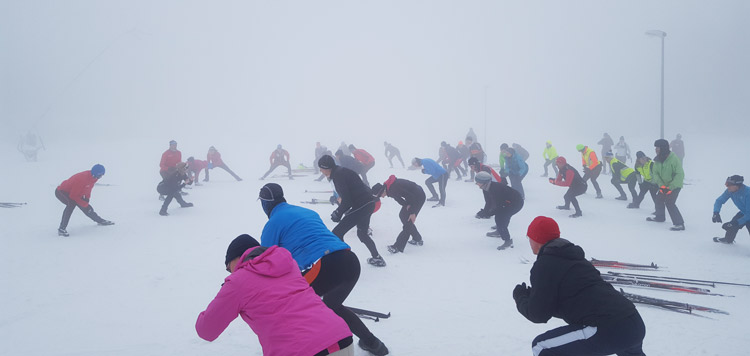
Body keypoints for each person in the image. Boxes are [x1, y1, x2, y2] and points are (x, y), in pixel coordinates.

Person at [257, 183, 390, 355]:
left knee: (293, 307)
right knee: (332, 305)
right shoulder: (307, 212)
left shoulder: (273, 224)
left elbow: (265, 263)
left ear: (265, 203)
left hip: (324, 264)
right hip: (349, 260)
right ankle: (373, 343)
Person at [195, 234, 354, 356]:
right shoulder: (288, 265)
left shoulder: (237, 281)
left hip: (304, 351)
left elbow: (206, 330)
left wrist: (226, 291)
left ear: (236, 258)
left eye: (228, 266)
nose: (230, 271)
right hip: (342, 339)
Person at [513, 216, 647, 356]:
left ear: (537, 239)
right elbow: (573, 299)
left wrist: (520, 298)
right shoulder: (575, 259)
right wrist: (534, 297)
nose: (528, 241)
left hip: (607, 327)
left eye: (529, 237)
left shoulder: (545, 264)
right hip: (633, 321)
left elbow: (538, 315)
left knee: (541, 347)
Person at [318, 155, 386, 267]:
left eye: (321, 168)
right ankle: (377, 258)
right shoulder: (341, 171)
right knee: (362, 234)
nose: (320, 171)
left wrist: (338, 213)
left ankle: (347, 263)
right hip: (368, 203)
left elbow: (347, 201)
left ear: (326, 168)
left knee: (336, 234)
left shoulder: (338, 176)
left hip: (362, 204)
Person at [55, 164, 114, 236]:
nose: (101, 177)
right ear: (95, 173)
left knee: (86, 207)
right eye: (100, 175)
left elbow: (89, 188)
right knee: (71, 205)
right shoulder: (82, 179)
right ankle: (61, 229)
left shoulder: (94, 177)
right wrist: (84, 204)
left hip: (75, 192)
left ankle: (100, 221)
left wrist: (87, 199)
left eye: (102, 175)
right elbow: (73, 196)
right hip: (62, 191)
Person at [474, 172, 523, 250]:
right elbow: (488, 202)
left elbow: (499, 206)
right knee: (501, 217)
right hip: (506, 203)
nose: (476, 184)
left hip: (516, 203)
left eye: (478, 182)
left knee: (500, 219)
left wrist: (488, 213)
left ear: (484, 182)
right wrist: (485, 212)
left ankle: (507, 240)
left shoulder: (496, 189)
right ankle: (499, 231)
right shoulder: (485, 189)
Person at [648, 139, 685, 231]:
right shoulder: (657, 160)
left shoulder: (673, 159)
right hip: (664, 185)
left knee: (669, 202)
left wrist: (671, 187)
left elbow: (679, 174)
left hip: (675, 185)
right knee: (659, 199)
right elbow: (655, 173)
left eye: (658, 147)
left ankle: (679, 224)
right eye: (655, 148)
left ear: (663, 148)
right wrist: (662, 185)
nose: (656, 149)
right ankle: (660, 217)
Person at [712, 175, 749, 244]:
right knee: (732, 225)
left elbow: (749, 214)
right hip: (744, 212)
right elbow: (719, 201)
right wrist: (716, 212)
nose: (727, 186)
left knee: (734, 223)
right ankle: (728, 239)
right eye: (726, 184)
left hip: (748, 214)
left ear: (736, 185)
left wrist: (736, 223)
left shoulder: (748, 193)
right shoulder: (730, 191)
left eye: (729, 185)